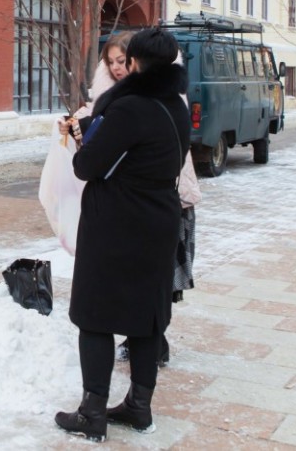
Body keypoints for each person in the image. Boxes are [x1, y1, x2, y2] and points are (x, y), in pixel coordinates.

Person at [54, 28, 190, 442]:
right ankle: (138, 407)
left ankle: (92, 413)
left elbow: (87, 166)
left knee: (95, 316)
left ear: (133, 63)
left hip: (116, 222)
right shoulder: (177, 107)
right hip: (160, 221)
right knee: (146, 318)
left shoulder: (129, 108)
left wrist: (83, 139)